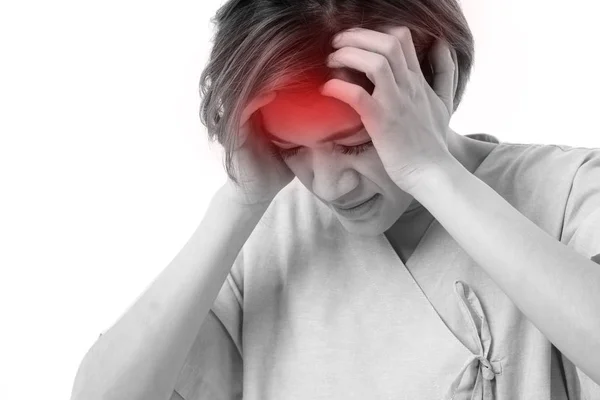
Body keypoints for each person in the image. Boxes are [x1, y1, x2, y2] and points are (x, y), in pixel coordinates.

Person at [70, 1, 600, 400]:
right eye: (291, 149)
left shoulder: (568, 189)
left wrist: (429, 171)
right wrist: (237, 202)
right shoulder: (266, 240)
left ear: (432, 84)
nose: (329, 186)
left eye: (356, 143)